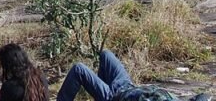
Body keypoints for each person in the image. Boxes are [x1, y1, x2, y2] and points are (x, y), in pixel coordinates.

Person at [57, 49, 209, 101]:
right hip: (126, 85)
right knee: (106, 54)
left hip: (113, 96)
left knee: (79, 69)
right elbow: (204, 95)